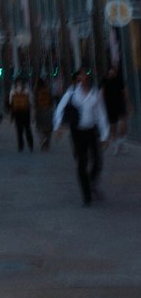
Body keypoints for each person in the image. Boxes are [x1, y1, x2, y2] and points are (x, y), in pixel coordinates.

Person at [54, 68, 110, 205]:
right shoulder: (72, 93)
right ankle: (87, 196)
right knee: (82, 163)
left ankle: (91, 182)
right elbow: (60, 109)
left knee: (97, 161)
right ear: (78, 78)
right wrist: (58, 127)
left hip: (91, 131)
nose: (82, 78)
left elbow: (101, 115)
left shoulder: (94, 94)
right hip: (77, 133)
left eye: (85, 75)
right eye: (80, 76)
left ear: (88, 78)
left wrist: (104, 135)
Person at [102, 63, 129, 154]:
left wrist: (128, 103)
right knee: (113, 127)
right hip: (110, 106)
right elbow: (101, 93)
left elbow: (125, 92)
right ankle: (115, 145)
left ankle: (121, 141)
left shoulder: (119, 80)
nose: (113, 72)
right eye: (111, 70)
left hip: (120, 104)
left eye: (114, 70)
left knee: (123, 123)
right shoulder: (104, 80)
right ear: (108, 71)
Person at [8, 75, 33, 152]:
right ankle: (30, 144)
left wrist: (11, 113)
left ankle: (20, 145)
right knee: (27, 128)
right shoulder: (27, 90)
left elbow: (10, 102)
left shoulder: (13, 91)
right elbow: (30, 101)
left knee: (19, 130)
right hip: (26, 112)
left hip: (17, 112)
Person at [34, 75, 53, 151]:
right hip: (48, 110)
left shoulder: (36, 90)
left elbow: (35, 101)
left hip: (39, 110)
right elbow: (51, 100)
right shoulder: (48, 90)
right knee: (48, 128)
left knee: (39, 127)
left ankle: (42, 139)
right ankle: (47, 142)